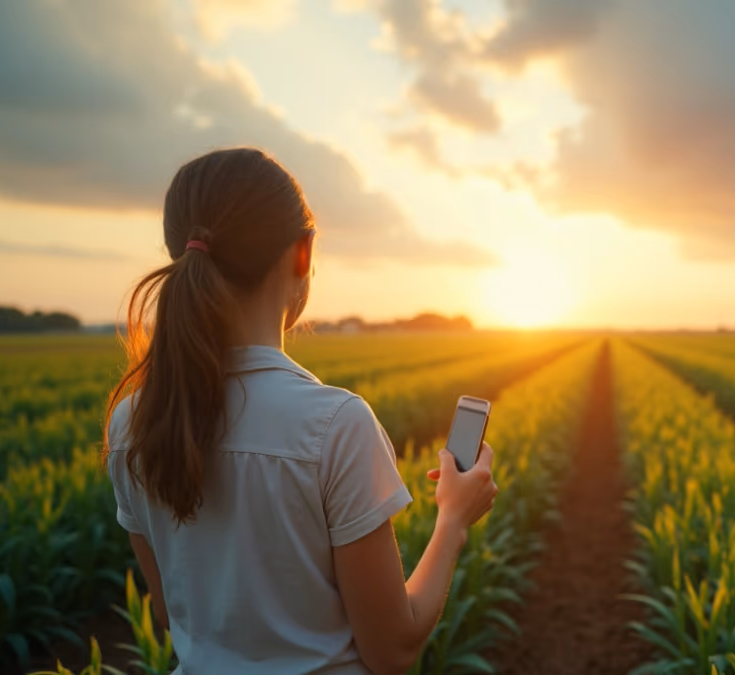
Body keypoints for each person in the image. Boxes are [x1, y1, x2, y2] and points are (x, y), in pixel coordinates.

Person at [103, 147, 498, 675]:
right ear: (303, 253)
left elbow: (175, 616)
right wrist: (453, 518)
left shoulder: (130, 422)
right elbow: (392, 651)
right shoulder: (335, 425)